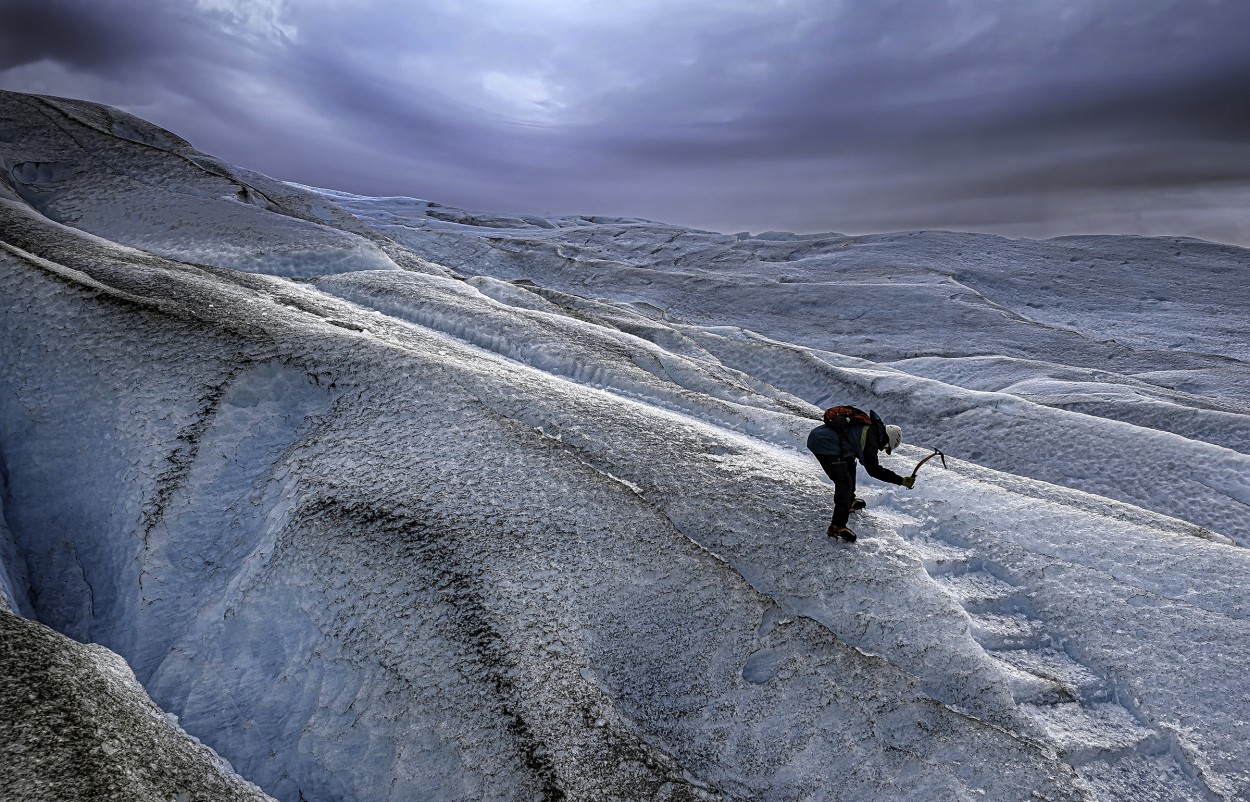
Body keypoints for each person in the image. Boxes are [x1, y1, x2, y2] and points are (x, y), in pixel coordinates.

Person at [807, 407, 913, 542]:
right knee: (844, 483)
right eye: (886, 446)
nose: (883, 449)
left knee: (850, 463)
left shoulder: (870, 430)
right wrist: (901, 480)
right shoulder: (870, 437)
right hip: (823, 444)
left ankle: (849, 502)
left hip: (822, 438)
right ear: (888, 438)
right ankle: (837, 526)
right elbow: (873, 470)